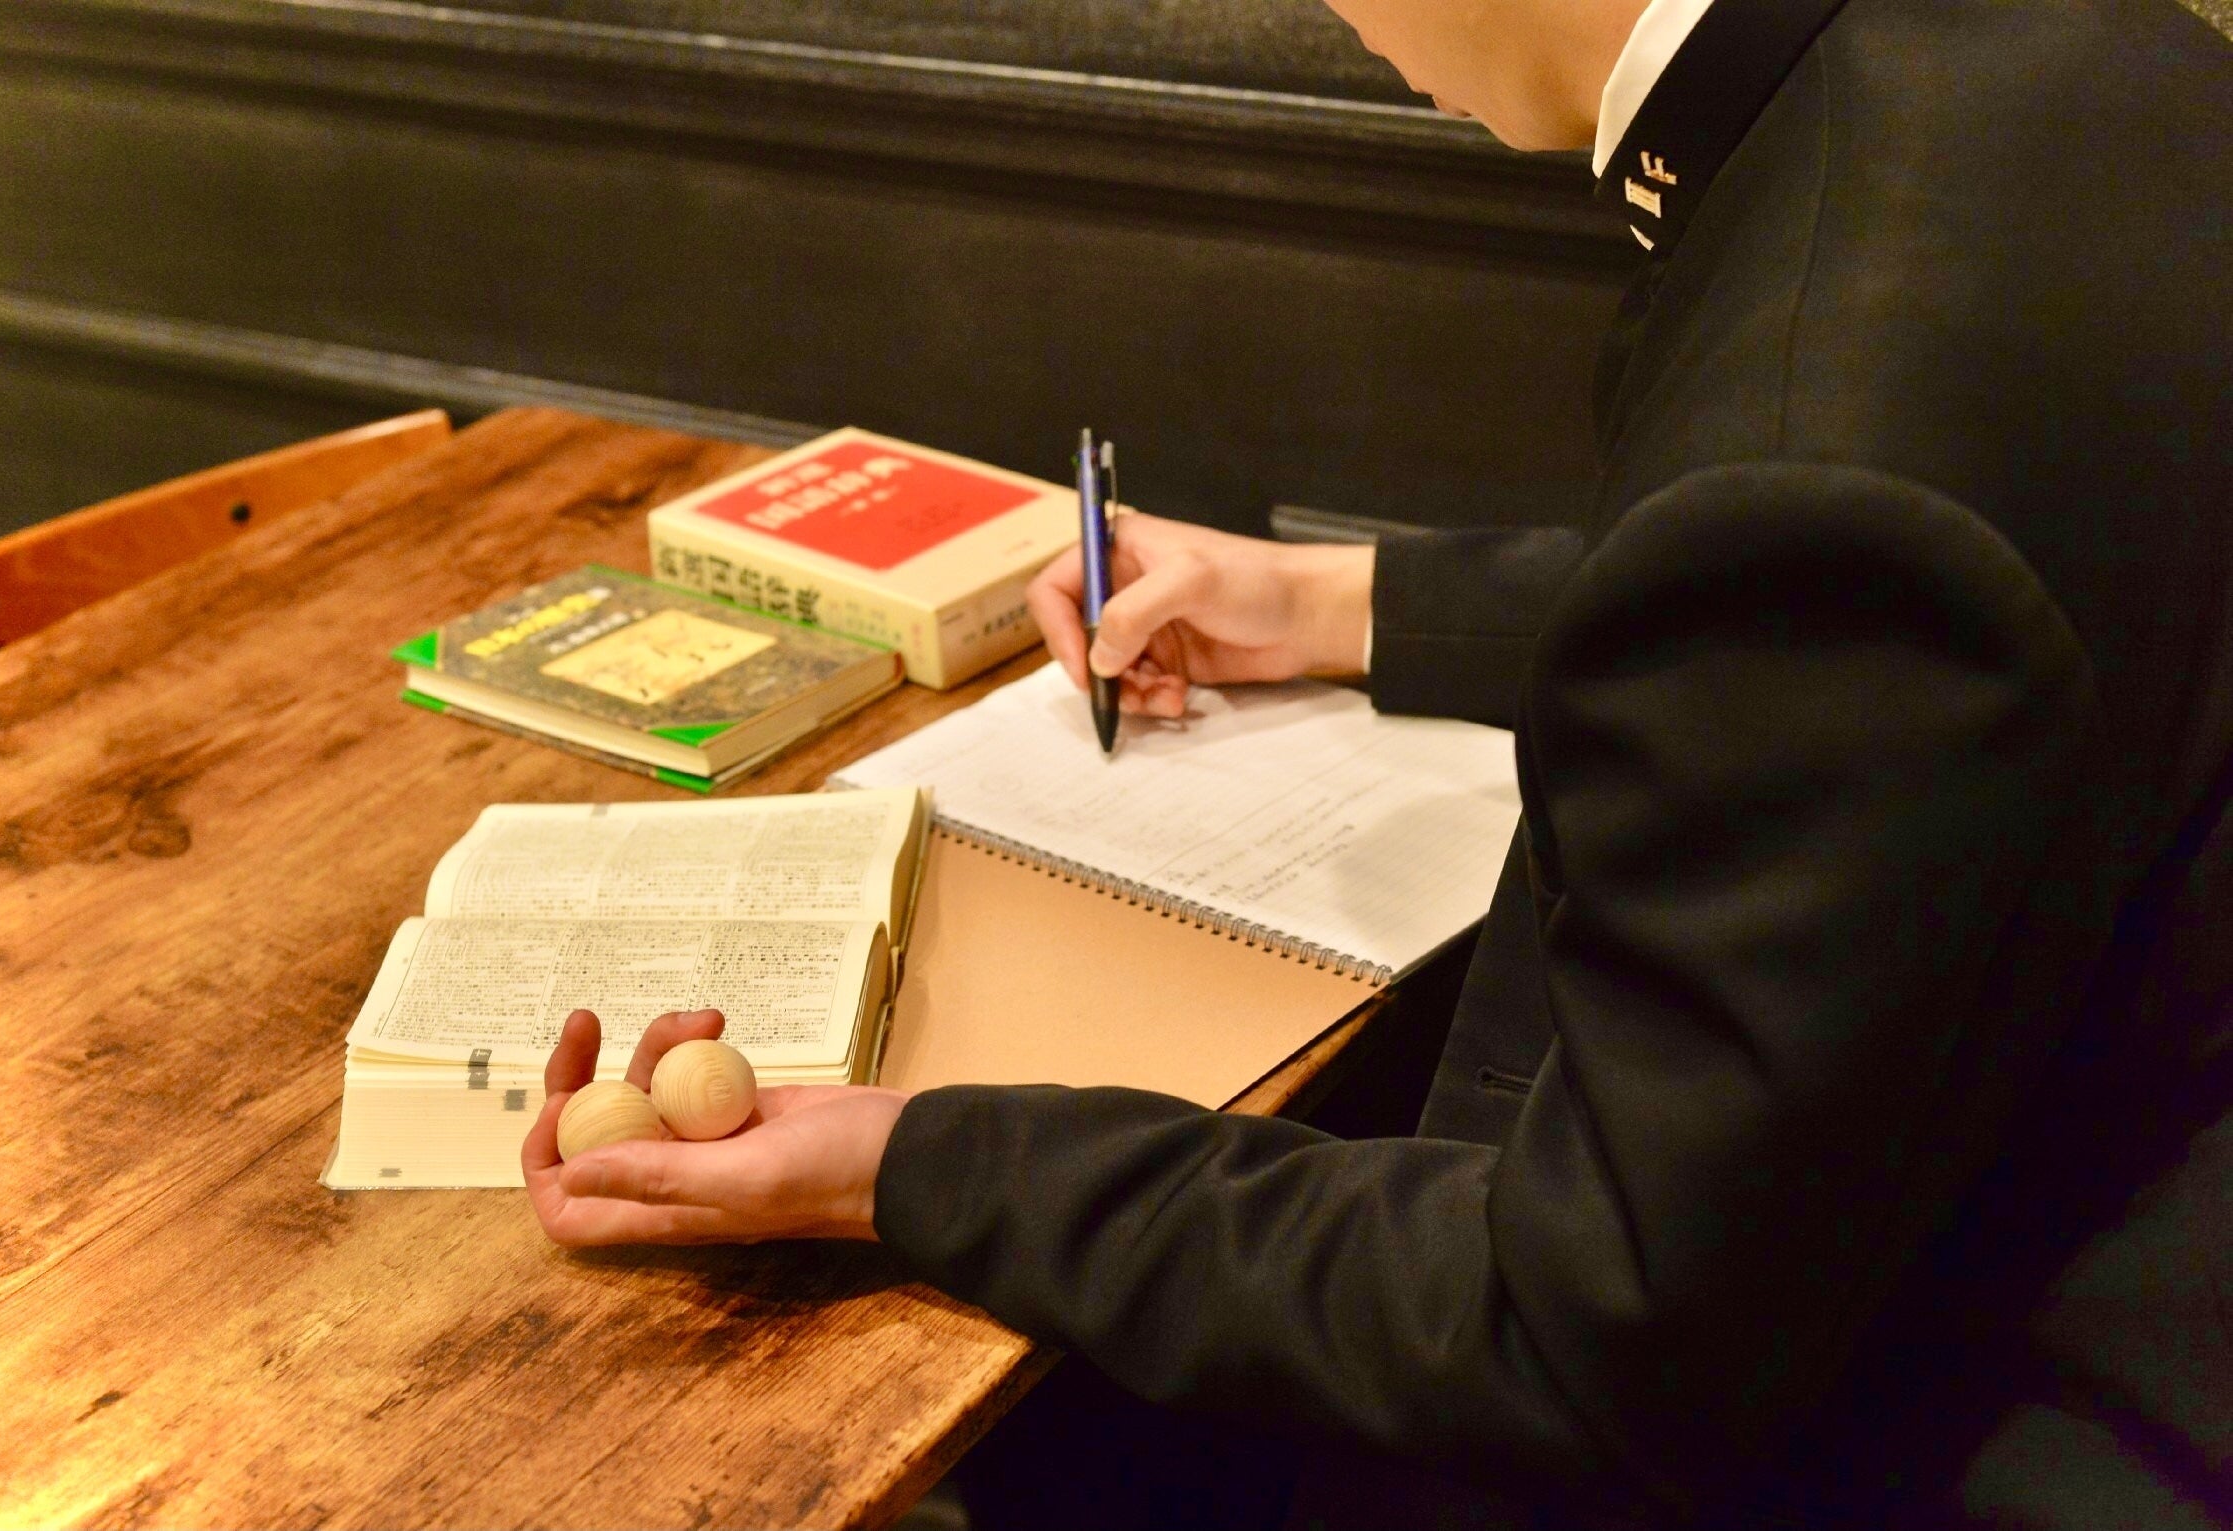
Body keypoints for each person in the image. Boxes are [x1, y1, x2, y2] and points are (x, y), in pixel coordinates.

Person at [524, 0, 2233, 1522]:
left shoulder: (1830, 418)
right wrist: (1338, 603)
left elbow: (1581, 1339)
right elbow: (1928, 565)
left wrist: (909, 1164)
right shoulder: (2066, 54)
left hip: (1980, 1399)